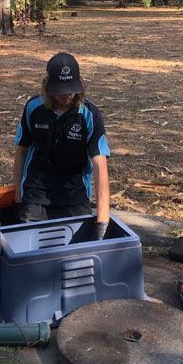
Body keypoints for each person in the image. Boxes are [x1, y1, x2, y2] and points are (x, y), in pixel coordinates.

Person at [13, 52, 110, 238]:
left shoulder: (90, 115)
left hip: (75, 194)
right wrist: (18, 198)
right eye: (61, 90)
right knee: (31, 251)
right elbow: (21, 151)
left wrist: (102, 220)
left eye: (71, 88)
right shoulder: (34, 108)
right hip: (36, 193)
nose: (67, 95)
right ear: (47, 87)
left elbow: (100, 166)